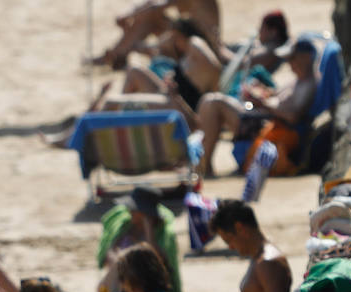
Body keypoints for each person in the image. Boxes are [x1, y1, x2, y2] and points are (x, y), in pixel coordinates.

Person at [195, 37, 317, 177]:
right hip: (264, 119)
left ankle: (205, 166)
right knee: (210, 101)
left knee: (213, 103)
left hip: (267, 125)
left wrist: (262, 103)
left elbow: (293, 117)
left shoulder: (308, 85)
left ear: (306, 58)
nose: (289, 63)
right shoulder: (300, 79)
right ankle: (204, 164)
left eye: (292, 58)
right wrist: (262, 92)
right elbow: (279, 98)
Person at [97, 186, 189, 292]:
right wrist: (119, 262)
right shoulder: (125, 227)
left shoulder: (160, 233)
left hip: (141, 284)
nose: (129, 211)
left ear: (143, 212)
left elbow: (156, 263)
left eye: (134, 209)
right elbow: (109, 253)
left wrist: (148, 228)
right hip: (121, 280)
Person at [119, 18, 222, 124]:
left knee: (134, 72)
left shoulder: (194, 43)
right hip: (173, 97)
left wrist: (215, 90)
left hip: (179, 105)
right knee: (134, 71)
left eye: (175, 38)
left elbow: (215, 66)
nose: (174, 43)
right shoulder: (188, 57)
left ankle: (117, 119)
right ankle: (118, 117)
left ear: (181, 35)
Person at [88, 0, 223, 70]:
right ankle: (119, 54)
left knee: (150, 17)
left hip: (202, 49)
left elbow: (155, 5)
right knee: (149, 19)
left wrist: (128, 15)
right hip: (195, 42)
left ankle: (118, 54)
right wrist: (128, 14)